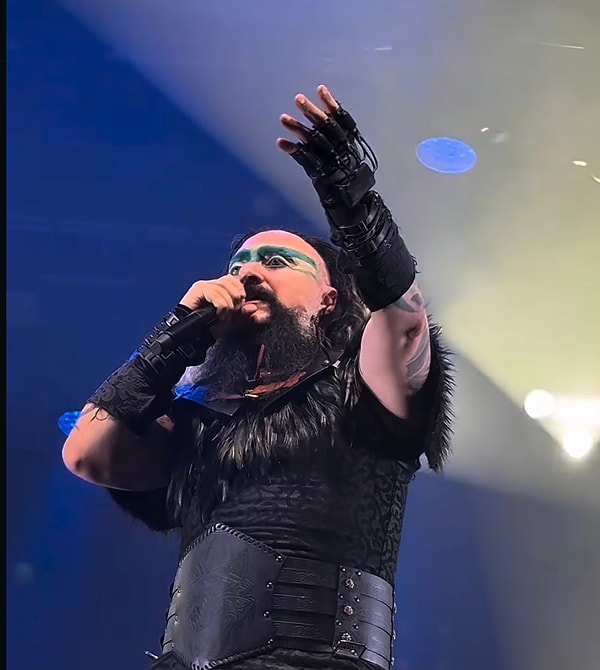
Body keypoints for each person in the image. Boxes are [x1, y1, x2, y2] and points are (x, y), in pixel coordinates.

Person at [62, 85, 454, 670]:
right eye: (238, 264)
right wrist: (176, 337)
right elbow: (87, 455)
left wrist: (354, 207)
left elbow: (404, 324)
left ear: (327, 300)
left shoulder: (361, 390)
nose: (248, 273)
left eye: (275, 262)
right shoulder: (201, 417)